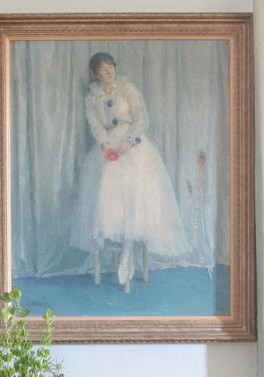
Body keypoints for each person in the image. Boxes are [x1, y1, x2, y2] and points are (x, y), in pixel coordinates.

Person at [70, 52, 188, 291]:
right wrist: (106, 145)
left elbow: (142, 120)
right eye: (102, 69)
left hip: (133, 145)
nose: (108, 72)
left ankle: (129, 254)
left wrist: (129, 142)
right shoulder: (92, 97)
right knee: (106, 188)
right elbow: (95, 124)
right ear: (95, 74)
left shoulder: (127, 89)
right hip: (109, 145)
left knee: (136, 193)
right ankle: (116, 251)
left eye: (110, 67)